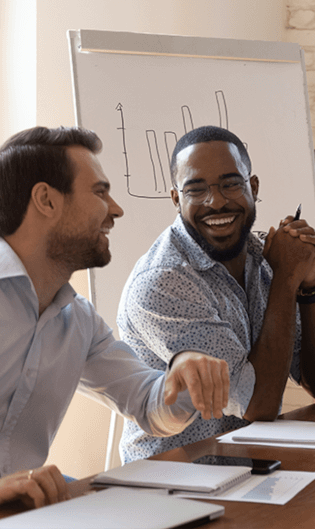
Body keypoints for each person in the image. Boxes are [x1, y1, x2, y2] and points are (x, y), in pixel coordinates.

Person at [0, 126, 229, 508]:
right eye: (99, 192)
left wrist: (185, 370)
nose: (116, 209)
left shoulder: (79, 320)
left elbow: (151, 407)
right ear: (46, 200)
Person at [117, 125, 315, 462]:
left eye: (230, 184)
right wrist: (285, 278)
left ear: (252, 187)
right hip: (174, 479)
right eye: (196, 189)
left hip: (249, 465)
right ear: (176, 199)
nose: (217, 201)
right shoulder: (163, 282)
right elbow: (258, 404)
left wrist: (309, 287)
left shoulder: (261, 255)